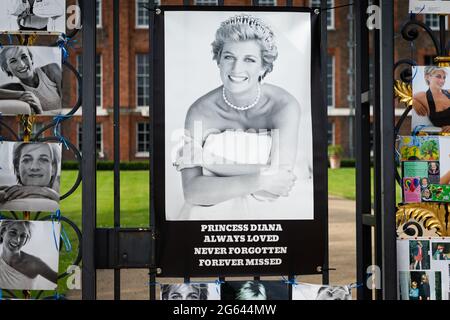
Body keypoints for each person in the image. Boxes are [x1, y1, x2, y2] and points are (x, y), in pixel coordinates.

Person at [173, 14, 306, 220]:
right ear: (218, 60)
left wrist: (208, 160)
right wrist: (261, 179)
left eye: (249, 59)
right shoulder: (200, 112)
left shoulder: (284, 106)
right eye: (229, 57)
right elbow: (192, 192)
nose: (236, 69)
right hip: (209, 218)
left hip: (274, 219)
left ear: (264, 66)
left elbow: (280, 183)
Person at [0, 46, 62, 115]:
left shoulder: (52, 70)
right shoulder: (14, 88)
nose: (22, 65)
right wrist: (22, 94)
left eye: (24, 57)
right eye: (13, 61)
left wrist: (40, 112)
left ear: (31, 58)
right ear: (6, 68)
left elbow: (69, 108)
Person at [0, 142, 60, 211]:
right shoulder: (7, 193)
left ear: (53, 168)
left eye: (43, 160)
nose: (34, 167)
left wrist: (49, 193)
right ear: (17, 169)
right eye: (27, 160)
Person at [0, 220, 58, 290]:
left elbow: (60, 280)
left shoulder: (34, 264)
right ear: (3, 232)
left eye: (23, 236)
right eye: (13, 232)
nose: (17, 240)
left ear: (26, 239)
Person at [413, 66, 450, 132]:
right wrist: (413, 102)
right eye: (438, 76)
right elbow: (405, 96)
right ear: (427, 77)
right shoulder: (422, 96)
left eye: (444, 77)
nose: (442, 81)